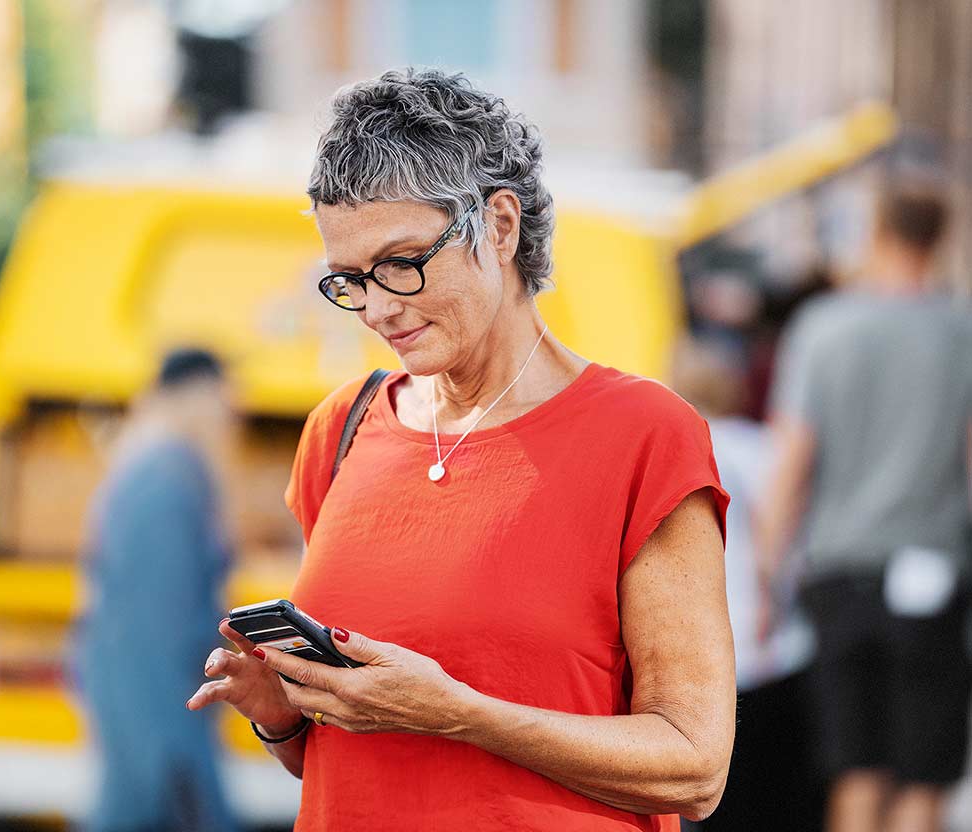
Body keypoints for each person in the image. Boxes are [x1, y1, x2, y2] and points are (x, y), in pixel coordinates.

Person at [188, 68, 735, 831]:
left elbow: (695, 766)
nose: (376, 307)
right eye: (349, 279)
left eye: (401, 262)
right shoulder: (340, 431)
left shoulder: (645, 436)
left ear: (500, 226)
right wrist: (283, 716)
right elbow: (355, 762)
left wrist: (462, 714)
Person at [757, 184, 972, 832]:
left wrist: (768, 570)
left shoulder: (824, 327)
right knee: (923, 776)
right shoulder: (960, 330)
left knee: (855, 771)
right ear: (938, 238)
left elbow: (792, 460)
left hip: (837, 572)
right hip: (934, 569)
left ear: (877, 231)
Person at [76, 349, 239, 832]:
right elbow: (159, 624)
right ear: (199, 398)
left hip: (142, 689)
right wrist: (172, 745)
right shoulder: (167, 479)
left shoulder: (145, 467)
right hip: (161, 696)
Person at [671, 337, 822, 832]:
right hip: (770, 643)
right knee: (777, 793)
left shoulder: (672, 449)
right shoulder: (761, 448)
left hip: (700, 653)